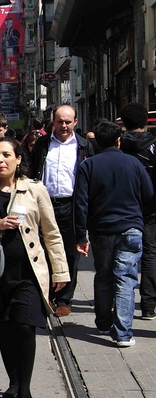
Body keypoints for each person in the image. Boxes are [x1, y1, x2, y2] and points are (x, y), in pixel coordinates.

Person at [0, 138, 69, 398]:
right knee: (5, 329)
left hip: (29, 273)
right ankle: (12, 382)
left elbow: (52, 233)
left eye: (6, 155)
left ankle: (25, 390)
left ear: (18, 159)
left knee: (24, 327)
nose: (0, 160)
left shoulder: (35, 190)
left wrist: (60, 271)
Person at [74, 120, 153, 348]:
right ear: (118, 140)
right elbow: (148, 194)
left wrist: (81, 236)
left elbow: (81, 203)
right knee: (126, 278)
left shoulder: (88, 166)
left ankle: (103, 321)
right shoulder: (134, 163)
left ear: (96, 142)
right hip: (131, 227)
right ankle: (123, 333)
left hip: (101, 230)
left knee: (104, 274)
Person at [27, 105, 94, 316]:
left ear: (75, 122)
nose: (64, 126)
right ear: (53, 122)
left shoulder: (84, 146)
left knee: (69, 253)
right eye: (60, 121)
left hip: (71, 205)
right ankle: (46, 294)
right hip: (44, 205)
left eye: (68, 122)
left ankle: (64, 299)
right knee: (43, 250)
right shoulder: (43, 144)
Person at [118, 102, 156, 321]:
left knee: (121, 256)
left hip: (123, 207)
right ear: (145, 121)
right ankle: (149, 305)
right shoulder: (153, 146)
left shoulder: (117, 145)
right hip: (150, 207)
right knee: (150, 254)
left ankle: (118, 302)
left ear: (123, 122)